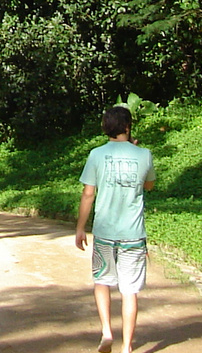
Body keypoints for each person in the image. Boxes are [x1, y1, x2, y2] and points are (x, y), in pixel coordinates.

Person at [75, 104, 155, 353]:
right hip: (133, 234)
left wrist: (80, 228)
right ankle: (127, 347)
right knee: (129, 291)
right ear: (128, 127)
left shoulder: (96, 155)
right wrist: (134, 148)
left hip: (104, 232)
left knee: (102, 282)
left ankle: (107, 332)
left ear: (105, 128)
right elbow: (149, 186)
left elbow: (88, 194)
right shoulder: (144, 154)